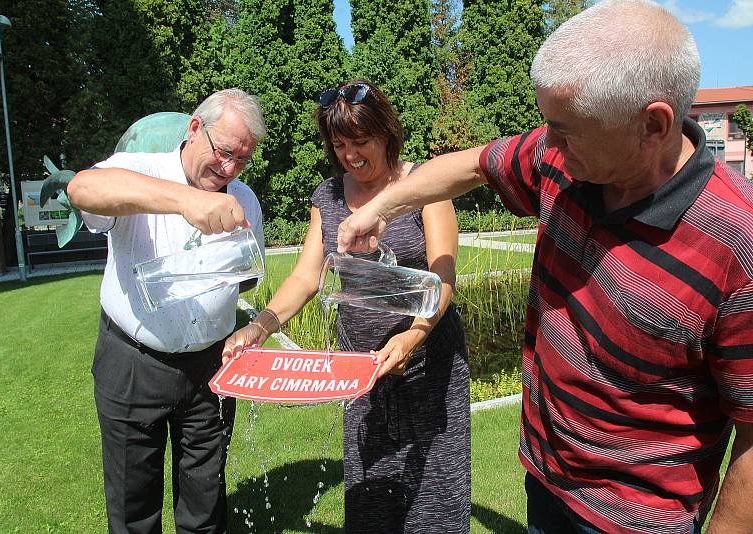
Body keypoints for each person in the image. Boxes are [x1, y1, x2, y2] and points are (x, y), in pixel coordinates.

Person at [335, 2, 753, 533]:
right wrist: (378, 208)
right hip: (546, 480)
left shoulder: (739, 246)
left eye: (565, 129)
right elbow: (470, 165)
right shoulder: (564, 159)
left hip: (635, 519)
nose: (545, 144)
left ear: (653, 124)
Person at [222, 80, 471, 533]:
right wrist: (260, 326)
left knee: (434, 506)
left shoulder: (425, 185)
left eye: (361, 141)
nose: (351, 155)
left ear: (387, 133)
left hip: (427, 371)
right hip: (363, 374)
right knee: (371, 504)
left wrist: (413, 335)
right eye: (339, 144)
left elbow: (444, 277)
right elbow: (304, 276)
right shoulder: (329, 196)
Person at [67, 88, 267, 533]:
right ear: (195, 128)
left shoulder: (245, 199)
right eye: (225, 153)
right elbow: (82, 188)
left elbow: (248, 274)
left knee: (205, 502)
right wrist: (185, 200)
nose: (230, 169)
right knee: (133, 506)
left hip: (210, 370)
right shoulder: (141, 169)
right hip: (134, 363)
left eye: (242, 161)